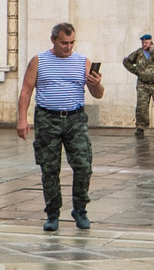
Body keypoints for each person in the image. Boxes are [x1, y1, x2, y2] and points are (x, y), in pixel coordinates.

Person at [17, 21, 104, 233]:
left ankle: (80, 209)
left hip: (75, 120)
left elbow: (98, 94)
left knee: (83, 166)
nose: (68, 47)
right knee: (49, 168)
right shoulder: (39, 61)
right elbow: (26, 91)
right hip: (47, 119)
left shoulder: (83, 61)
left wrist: (96, 83)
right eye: (64, 43)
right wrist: (22, 119)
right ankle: (52, 213)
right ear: (53, 40)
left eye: (72, 42)